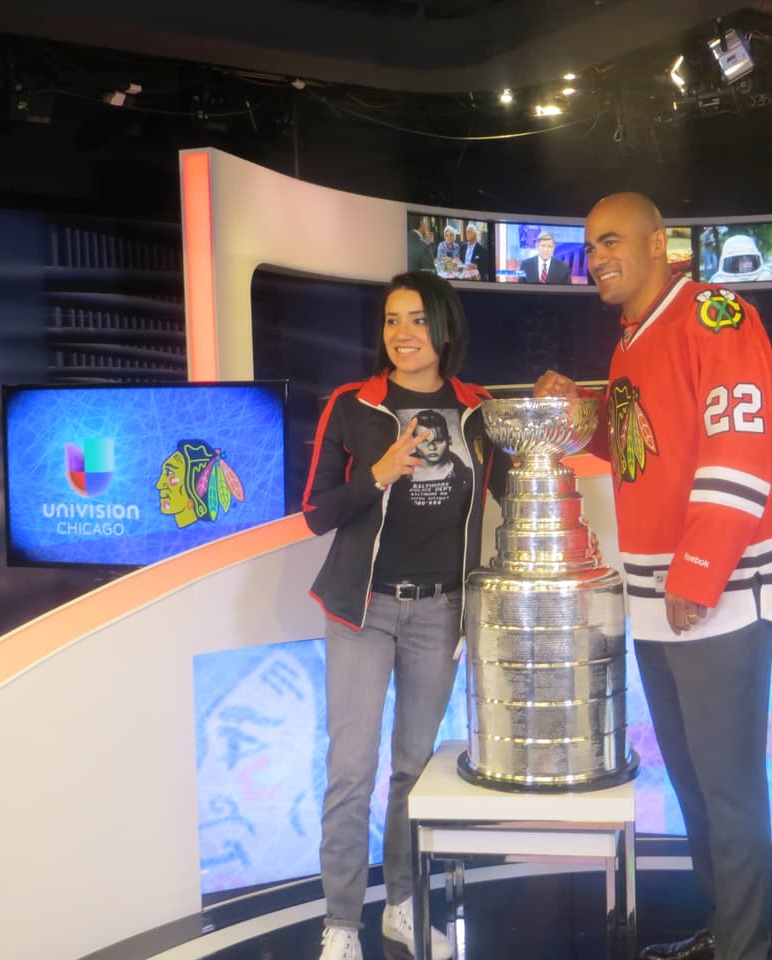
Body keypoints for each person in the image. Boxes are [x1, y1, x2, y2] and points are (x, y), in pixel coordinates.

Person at [535, 193, 772, 960]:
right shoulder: (632, 341)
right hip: (659, 595)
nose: (597, 258)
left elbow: (742, 446)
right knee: (694, 786)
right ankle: (725, 934)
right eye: (590, 247)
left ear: (660, 243)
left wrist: (699, 570)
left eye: (612, 241)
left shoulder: (714, 316)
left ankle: (746, 948)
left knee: (727, 788)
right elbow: (641, 450)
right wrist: (581, 413)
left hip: (717, 591)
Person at [302, 270, 506, 960]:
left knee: (413, 770)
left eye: (417, 319)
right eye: (391, 320)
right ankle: (338, 923)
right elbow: (316, 512)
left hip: (440, 614)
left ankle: (400, 905)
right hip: (363, 611)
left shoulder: (480, 411)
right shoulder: (353, 405)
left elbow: (515, 488)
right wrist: (380, 470)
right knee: (351, 770)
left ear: (444, 327)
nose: (402, 334)